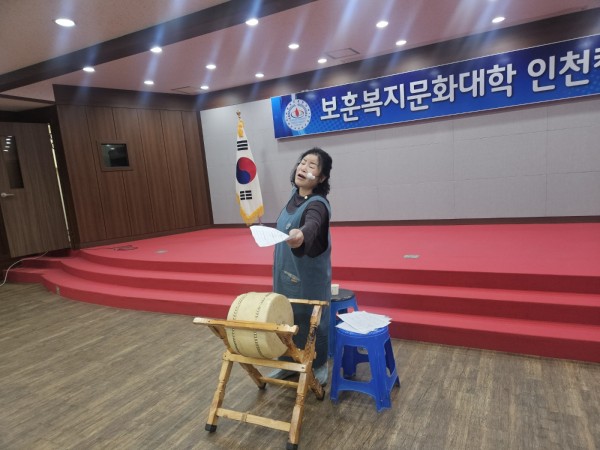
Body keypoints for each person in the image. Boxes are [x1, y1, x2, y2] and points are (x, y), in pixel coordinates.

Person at [270, 147, 333, 386]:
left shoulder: (318, 205)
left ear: (321, 177)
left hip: (308, 278)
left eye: (311, 165)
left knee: (311, 320)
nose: (303, 168)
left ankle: (318, 364)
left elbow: (311, 225)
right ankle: (288, 362)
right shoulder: (293, 196)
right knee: (286, 317)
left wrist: (300, 235)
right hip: (284, 273)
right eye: (302, 162)